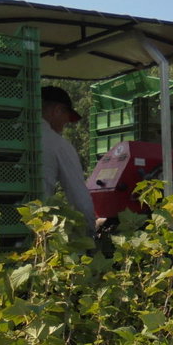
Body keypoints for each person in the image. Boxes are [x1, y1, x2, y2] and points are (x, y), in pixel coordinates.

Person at [40, 86, 97, 235]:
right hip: (34, 231)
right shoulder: (57, 144)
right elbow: (81, 202)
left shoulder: (9, 134)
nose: (67, 123)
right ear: (57, 110)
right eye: (67, 117)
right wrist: (90, 235)